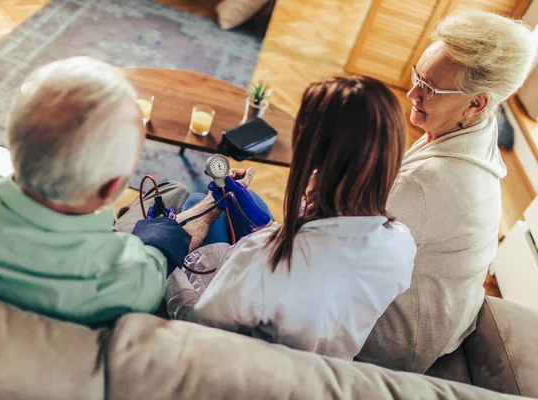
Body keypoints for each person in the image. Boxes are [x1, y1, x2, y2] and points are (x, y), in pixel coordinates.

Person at [0, 57, 220, 327]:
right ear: (110, 189)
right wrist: (212, 204)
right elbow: (161, 250)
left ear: (13, 142)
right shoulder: (129, 276)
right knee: (175, 191)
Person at [165, 75, 416, 360]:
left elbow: (196, 325)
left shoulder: (266, 257)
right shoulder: (401, 244)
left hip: (238, 367)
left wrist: (166, 258)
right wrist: (266, 226)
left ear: (314, 159)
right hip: (323, 370)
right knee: (239, 202)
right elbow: (328, 273)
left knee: (197, 201)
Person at [357, 11, 538, 372]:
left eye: (430, 89)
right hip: (442, 321)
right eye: (417, 76)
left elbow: (350, 252)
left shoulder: (427, 182)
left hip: (385, 344)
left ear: (477, 103)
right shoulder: (479, 130)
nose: (412, 93)